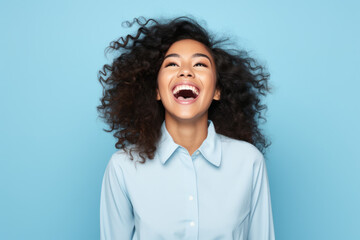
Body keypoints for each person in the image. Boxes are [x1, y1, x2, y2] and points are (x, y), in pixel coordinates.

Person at [98, 16, 275, 240]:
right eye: (172, 64)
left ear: (217, 91)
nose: (186, 72)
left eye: (200, 64)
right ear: (157, 91)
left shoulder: (249, 162)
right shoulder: (123, 167)